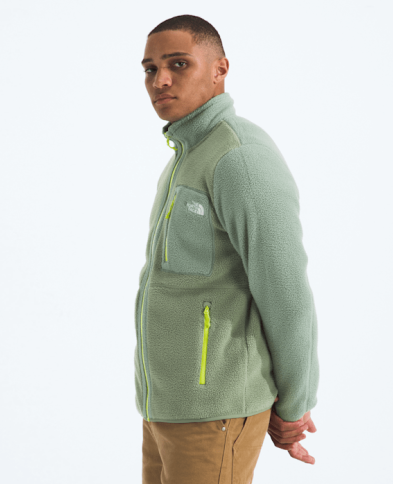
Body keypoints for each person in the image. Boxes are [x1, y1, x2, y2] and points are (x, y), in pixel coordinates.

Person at [135, 14, 319, 483]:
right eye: (150, 68)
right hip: (166, 409)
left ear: (220, 69)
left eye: (178, 63)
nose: (160, 80)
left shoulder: (239, 158)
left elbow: (286, 293)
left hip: (213, 412)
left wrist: (295, 404)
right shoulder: (187, 155)